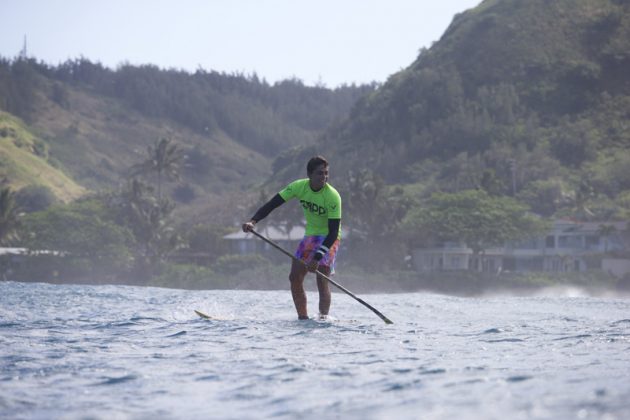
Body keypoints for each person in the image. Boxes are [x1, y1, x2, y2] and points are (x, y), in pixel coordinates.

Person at [242, 156, 342, 320]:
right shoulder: (299, 187)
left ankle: (323, 318)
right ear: (309, 174)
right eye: (319, 173)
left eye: (326, 173)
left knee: (321, 277)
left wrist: (317, 257)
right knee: (294, 277)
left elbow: (332, 233)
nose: (324, 177)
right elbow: (272, 204)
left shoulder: (332, 196)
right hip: (311, 236)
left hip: (329, 237)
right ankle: (303, 319)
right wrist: (253, 221)